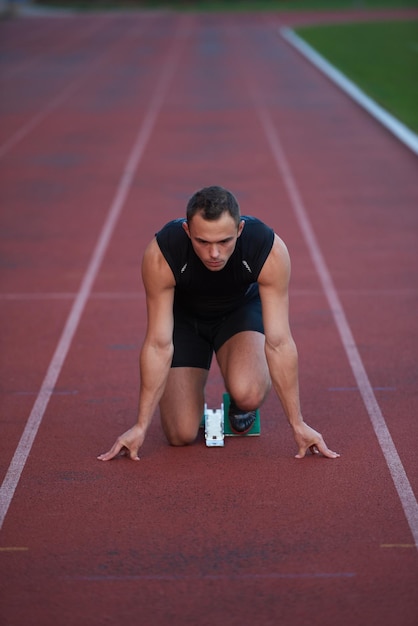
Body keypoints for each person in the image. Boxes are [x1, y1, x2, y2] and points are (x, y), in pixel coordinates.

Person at [98, 186, 339, 462]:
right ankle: (188, 400)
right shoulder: (162, 254)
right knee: (179, 434)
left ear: (239, 229)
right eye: (203, 242)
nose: (214, 253)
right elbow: (157, 343)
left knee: (247, 392)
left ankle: (240, 404)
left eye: (224, 241)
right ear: (188, 231)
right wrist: (140, 426)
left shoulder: (267, 249)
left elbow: (280, 341)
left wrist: (298, 424)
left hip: (239, 315)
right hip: (185, 321)